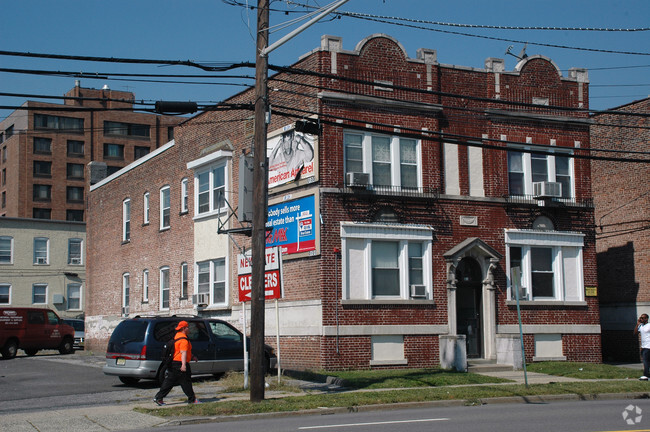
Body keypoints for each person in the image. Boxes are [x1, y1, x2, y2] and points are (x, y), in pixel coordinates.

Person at [153, 321, 201, 405]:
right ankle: (192, 399)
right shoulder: (184, 340)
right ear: (183, 329)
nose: (189, 328)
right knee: (186, 381)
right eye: (187, 327)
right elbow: (183, 352)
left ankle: (158, 397)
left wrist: (192, 356)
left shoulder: (177, 336)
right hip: (180, 363)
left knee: (170, 381)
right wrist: (183, 365)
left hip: (174, 363)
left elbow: (180, 351)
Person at [634, 313, 650, 380]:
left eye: (642, 318)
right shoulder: (641, 326)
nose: (641, 319)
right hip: (644, 347)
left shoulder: (649, 325)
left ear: (646, 319)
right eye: (640, 317)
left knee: (646, 361)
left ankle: (646, 375)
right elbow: (635, 333)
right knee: (646, 361)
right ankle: (647, 375)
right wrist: (637, 324)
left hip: (649, 346)